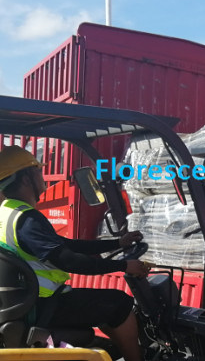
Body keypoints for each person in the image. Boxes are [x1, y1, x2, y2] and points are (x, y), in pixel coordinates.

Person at [0, 146, 148, 361]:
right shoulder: (27, 219)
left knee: (104, 306)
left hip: (24, 304)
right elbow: (69, 260)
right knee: (120, 304)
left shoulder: (7, 213)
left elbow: (65, 245)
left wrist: (117, 243)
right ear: (26, 179)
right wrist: (124, 266)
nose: (43, 177)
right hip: (45, 304)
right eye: (39, 171)